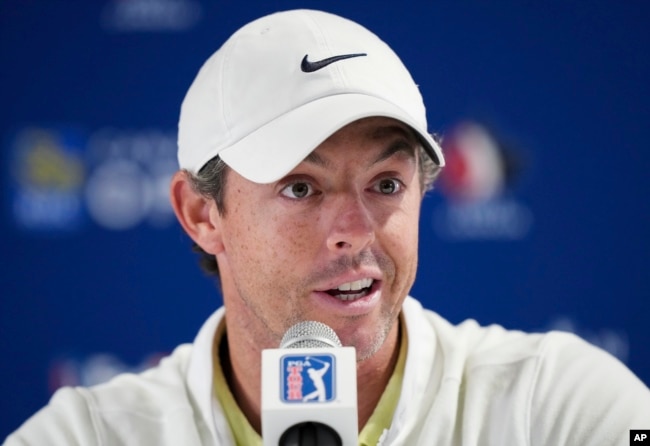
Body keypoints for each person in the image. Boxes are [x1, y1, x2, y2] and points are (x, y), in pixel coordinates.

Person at [5, 8, 650, 446]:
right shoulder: (85, 436)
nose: (354, 230)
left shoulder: (565, 408)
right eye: (301, 187)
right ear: (203, 214)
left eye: (386, 184)